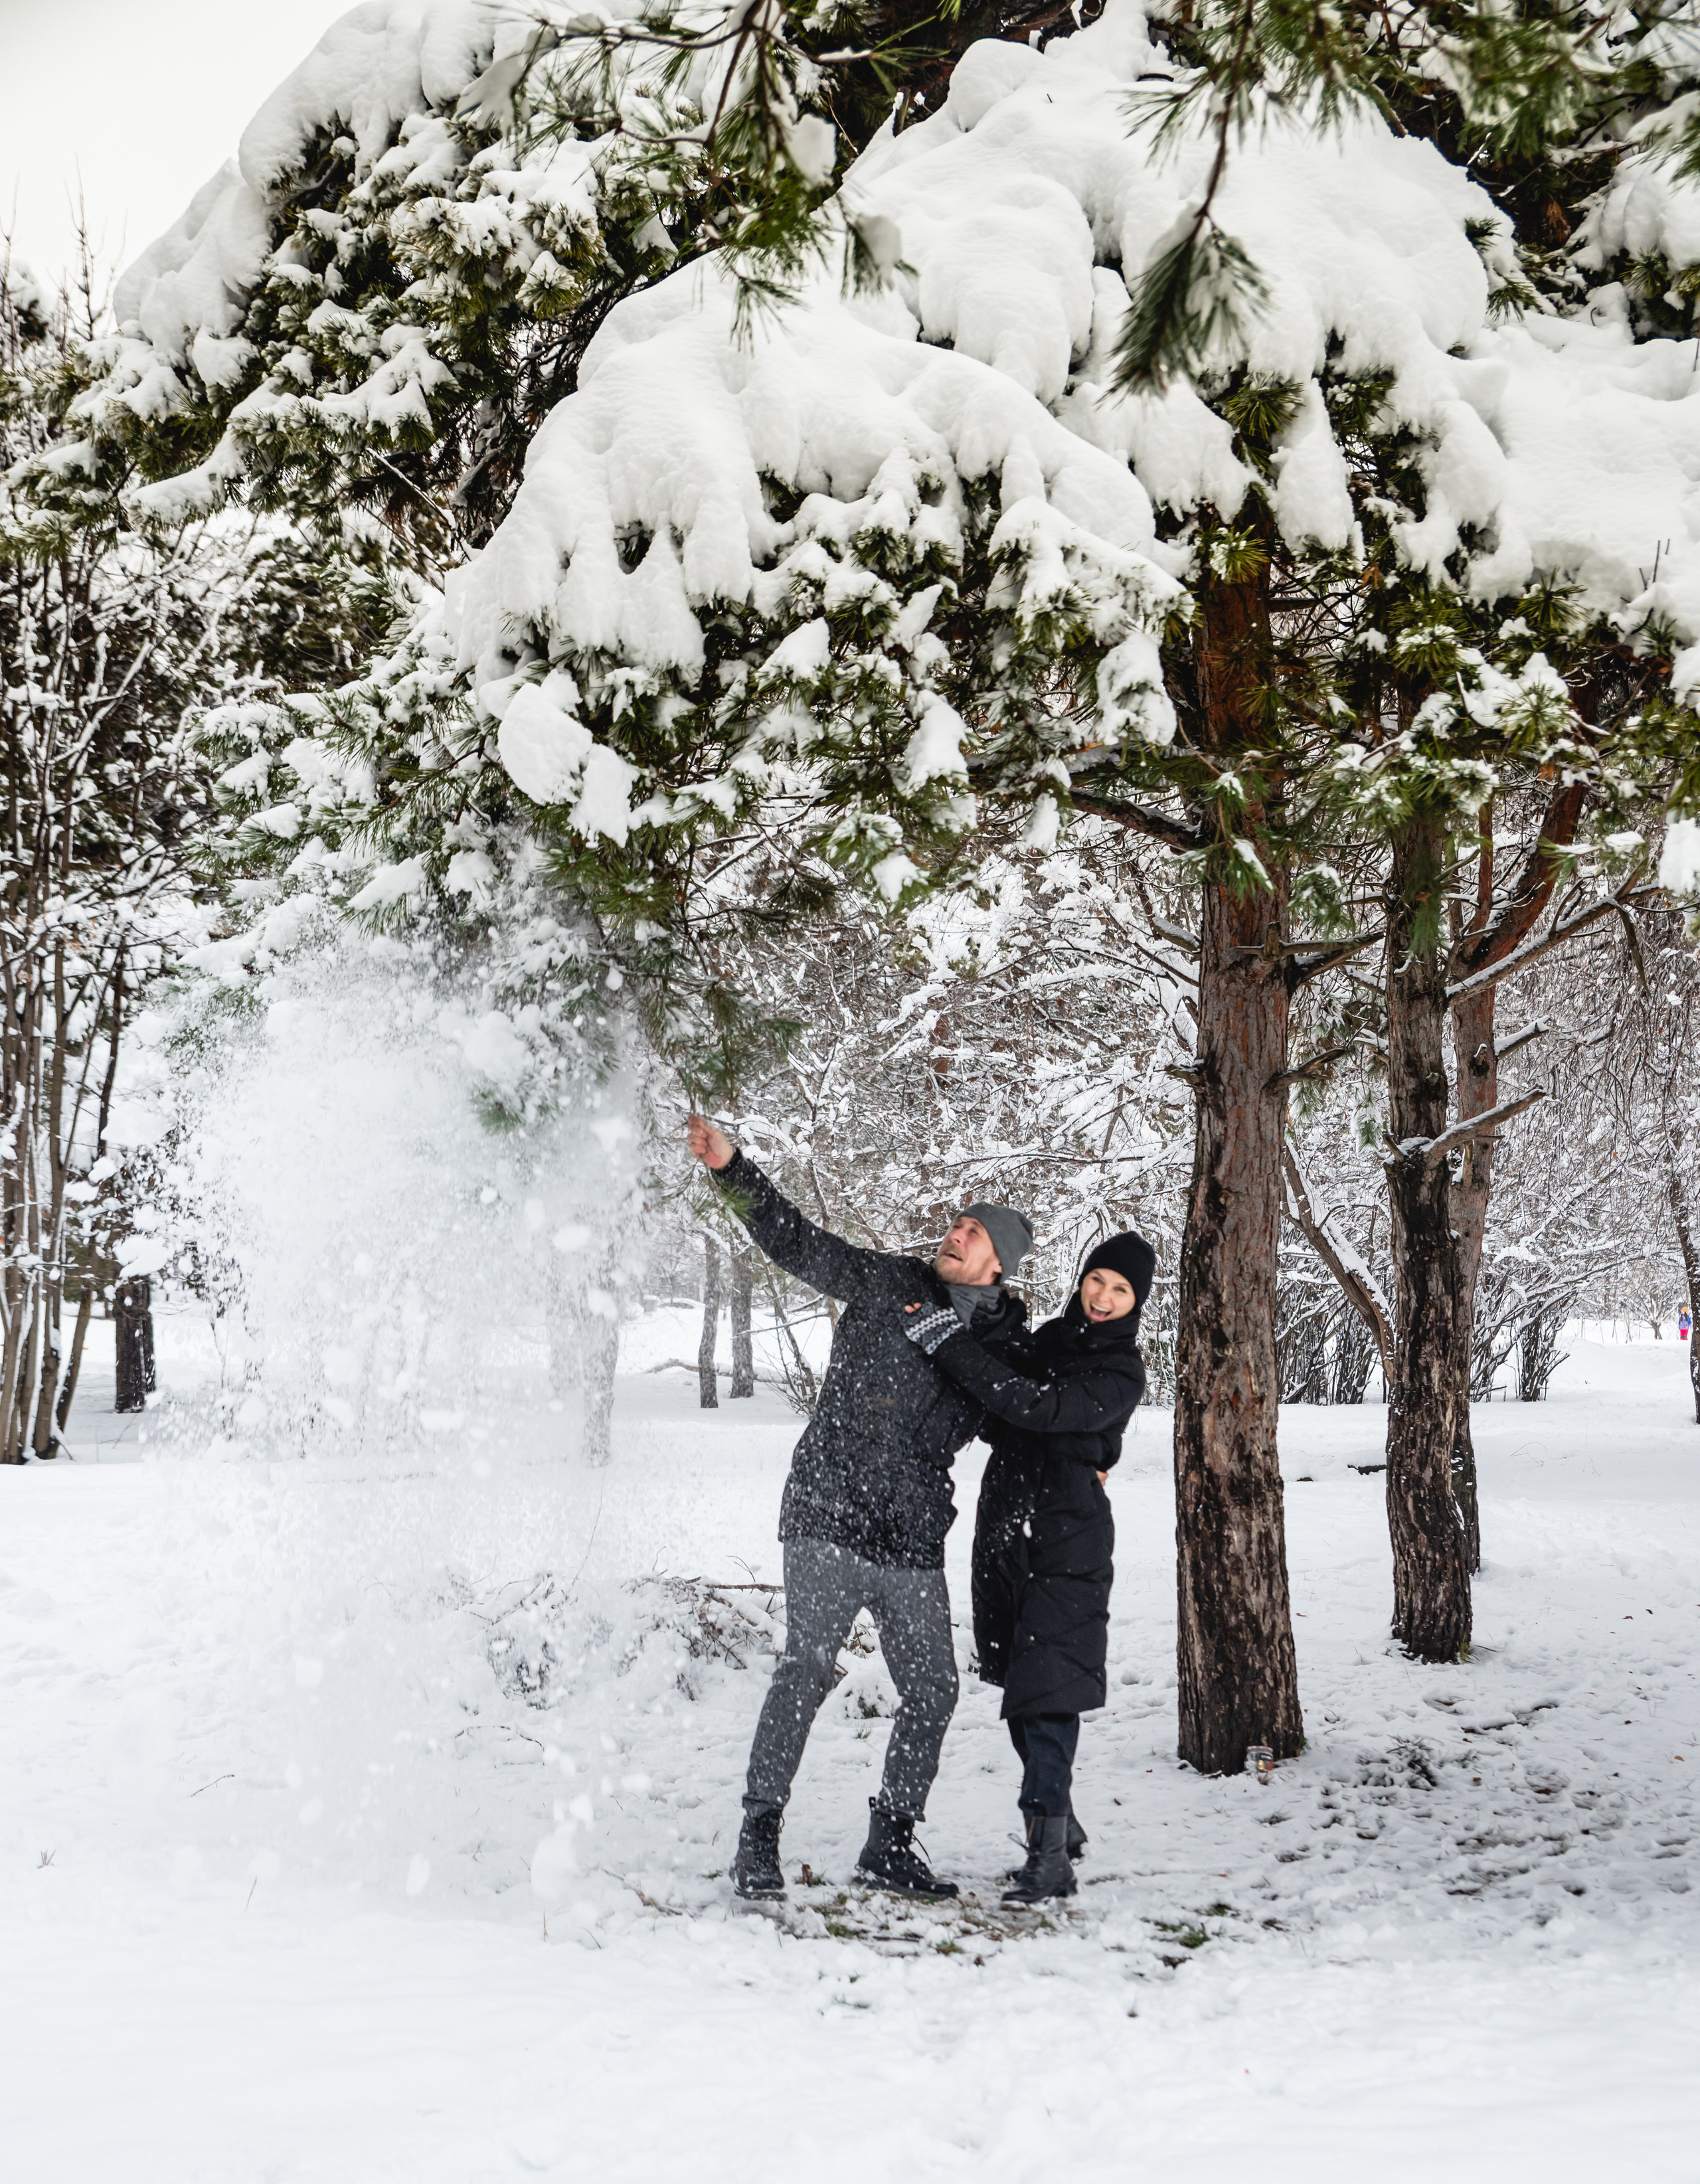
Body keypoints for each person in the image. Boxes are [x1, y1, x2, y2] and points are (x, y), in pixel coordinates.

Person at [686, 1114, 1032, 1902]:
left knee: (935, 1689)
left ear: (999, 1264)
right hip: (829, 1506)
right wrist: (732, 1168)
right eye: (956, 1224)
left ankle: (890, 1842)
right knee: (806, 1666)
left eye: (974, 1233)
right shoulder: (891, 1283)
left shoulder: (1006, 1347)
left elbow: (1033, 1413)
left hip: (909, 1533)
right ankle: (758, 1834)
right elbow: (797, 1242)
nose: (956, 1235)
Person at [898, 1230, 1153, 1903]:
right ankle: (1059, 1825)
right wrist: (995, 1324)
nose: (1103, 1296)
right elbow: (999, 1411)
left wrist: (950, 1343)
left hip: (1067, 1535)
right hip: (1007, 1527)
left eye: (1120, 1289)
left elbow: (1035, 1407)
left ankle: (1048, 1860)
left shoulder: (1122, 1372)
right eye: (1098, 1280)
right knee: (1020, 1688)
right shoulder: (1045, 1341)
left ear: (1135, 1303)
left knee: (1047, 1695)